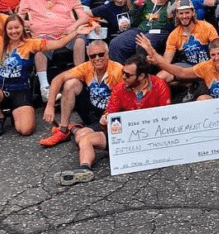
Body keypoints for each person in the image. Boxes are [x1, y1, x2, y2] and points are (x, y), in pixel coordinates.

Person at [54, 54, 171, 185]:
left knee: (82, 135)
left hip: (151, 135)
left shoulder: (159, 85)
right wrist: (104, 121)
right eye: (123, 73)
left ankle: (75, 128)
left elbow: (166, 117)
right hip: (125, 134)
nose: (123, 77)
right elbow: (111, 114)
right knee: (85, 139)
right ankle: (84, 169)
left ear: (142, 76)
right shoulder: (120, 87)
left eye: (128, 75)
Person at [0, 12, 93, 137]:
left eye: (17, 27)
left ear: (22, 27)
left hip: (21, 91)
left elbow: (59, 44)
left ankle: (15, 113)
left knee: (25, 130)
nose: (14, 31)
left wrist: (76, 32)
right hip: (1, 90)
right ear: (5, 30)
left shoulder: (30, 43)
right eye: (10, 28)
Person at [17, 0, 89, 101]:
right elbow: (18, 18)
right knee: (39, 47)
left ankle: (79, 79)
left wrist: (73, 27)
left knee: (80, 40)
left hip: (68, 34)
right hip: (44, 35)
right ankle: (45, 88)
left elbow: (83, 17)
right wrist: (26, 24)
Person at [39, 39, 124, 148]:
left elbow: (125, 97)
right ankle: (63, 130)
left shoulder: (118, 70)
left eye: (101, 54)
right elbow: (58, 79)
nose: (97, 58)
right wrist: (50, 105)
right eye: (93, 56)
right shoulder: (87, 66)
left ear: (107, 54)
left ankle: (74, 128)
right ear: (89, 57)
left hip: (108, 115)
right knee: (71, 84)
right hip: (92, 110)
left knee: (81, 138)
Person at [138, 34, 219, 99]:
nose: (217, 58)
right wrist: (154, 54)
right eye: (213, 55)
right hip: (216, 106)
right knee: (202, 99)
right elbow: (181, 72)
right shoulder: (205, 66)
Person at [108, 0, 178, 64]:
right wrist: (136, 7)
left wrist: (170, 16)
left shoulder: (172, 5)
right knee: (115, 43)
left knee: (142, 45)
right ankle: (123, 71)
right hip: (140, 30)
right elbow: (135, 21)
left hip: (159, 33)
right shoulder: (147, 1)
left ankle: (143, 73)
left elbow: (170, 28)